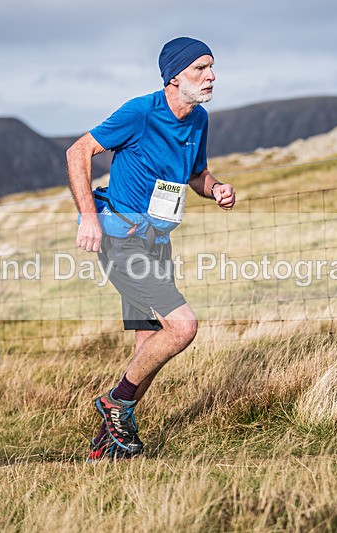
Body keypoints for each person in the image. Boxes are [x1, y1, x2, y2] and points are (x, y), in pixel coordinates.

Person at [67, 36, 236, 461]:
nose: (211, 76)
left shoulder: (198, 120)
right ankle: (115, 403)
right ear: (175, 76)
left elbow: (195, 174)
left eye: (212, 67)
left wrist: (214, 188)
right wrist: (88, 216)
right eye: (200, 68)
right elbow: (78, 151)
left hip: (157, 242)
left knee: (147, 343)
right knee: (182, 327)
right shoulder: (141, 112)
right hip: (122, 237)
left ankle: (110, 444)